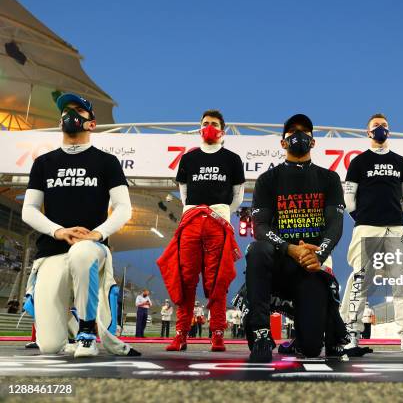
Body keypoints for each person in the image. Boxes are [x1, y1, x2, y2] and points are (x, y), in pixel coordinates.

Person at [21, 93, 138, 357]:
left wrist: (98, 234)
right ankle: (72, 329)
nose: (69, 115)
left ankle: (87, 332)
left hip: (91, 248)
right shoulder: (43, 163)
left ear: (91, 123)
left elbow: (123, 208)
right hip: (51, 251)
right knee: (50, 346)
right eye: (65, 111)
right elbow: (29, 210)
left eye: (77, 111)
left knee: (82, 251)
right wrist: (59, 231)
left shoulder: (106, 162)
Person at [245, 114, 346, 363]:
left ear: (313, 142)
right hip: (277, 264)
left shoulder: (329, 179)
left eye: (304, 132)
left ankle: (303, 333)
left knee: (311, 349)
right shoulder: (267, 180)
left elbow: (335, 224)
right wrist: (289, 248)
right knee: (257, 249)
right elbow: (259, 226)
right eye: (292, 132)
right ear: (282, 143)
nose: (298, 136)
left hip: (310, 267)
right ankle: (261, 333)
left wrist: (318, 254)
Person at [158, 109, 243, 352]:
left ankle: (217, 334)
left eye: (214, 124)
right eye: (205, 123)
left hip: (218, 223)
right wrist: (193, 211)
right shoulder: (189, 158)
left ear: (222, 130)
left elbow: (237, 197)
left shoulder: (232, 159)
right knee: (185, 279)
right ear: (199, 128)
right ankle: (181, 334)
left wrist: (220, 213)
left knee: (218, 280)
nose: (209, 127)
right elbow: (184, 194)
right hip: (191, 222)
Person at [339, 113, 403, 352]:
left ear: (390, 131)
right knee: (360, 279)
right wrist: (363, 219)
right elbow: (349, 198)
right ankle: (352, 333)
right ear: (368, 132)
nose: (380, 129)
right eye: (376, 126)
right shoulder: (358, 162)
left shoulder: (401, 162)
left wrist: (396, 218)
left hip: (396, 229)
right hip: (366, 228)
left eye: (384, 126)